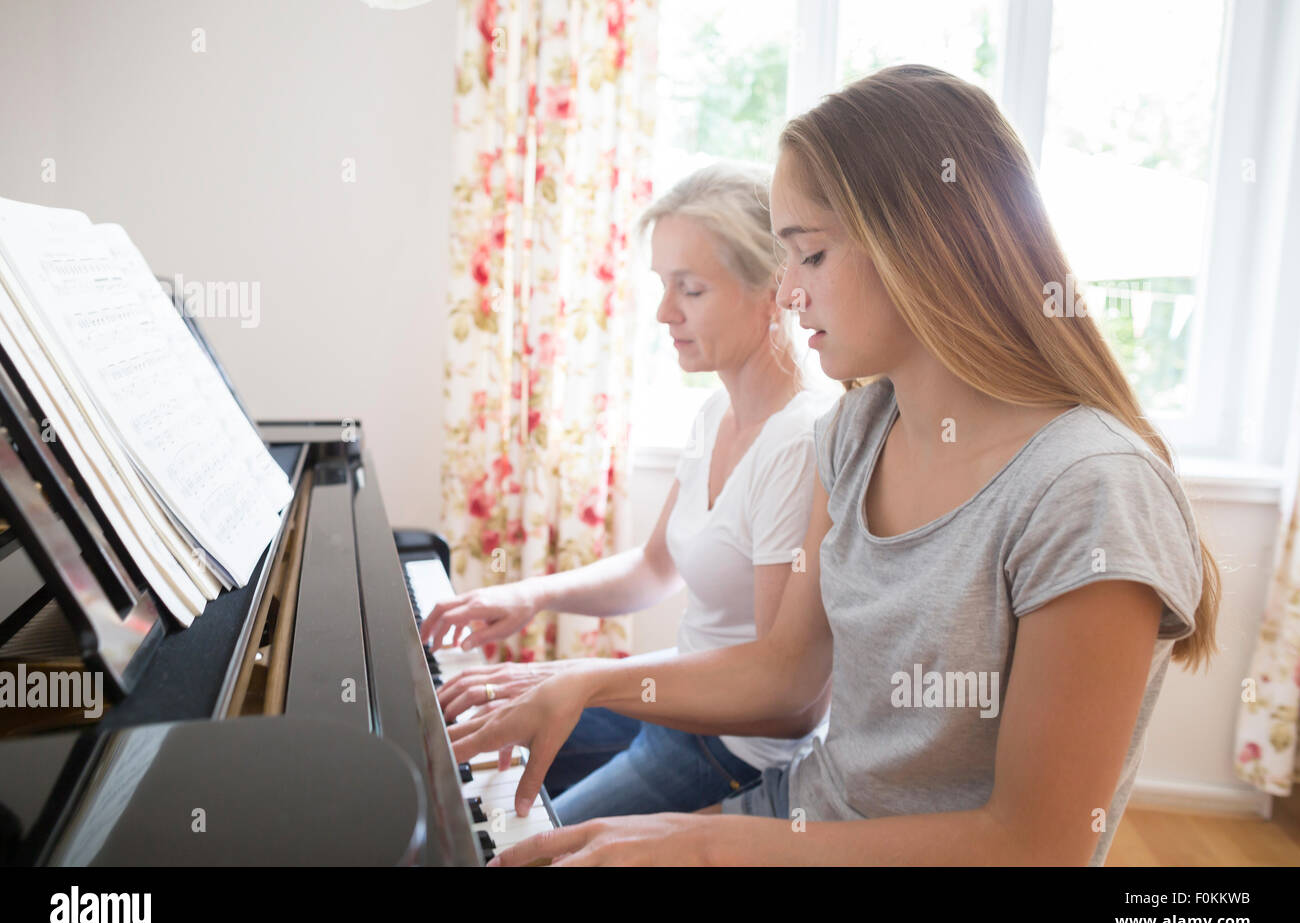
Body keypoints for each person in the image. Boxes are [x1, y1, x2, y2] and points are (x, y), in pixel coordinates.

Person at [445, 64, 1220, 866]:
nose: (785, 294)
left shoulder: (1089, 490)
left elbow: (1036, 846)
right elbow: (785, 678)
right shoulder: (854, 431)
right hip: (809, 816)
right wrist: (579, 682)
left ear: (924, 246)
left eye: (808, 256)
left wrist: (706, 843)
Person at [422, 163, 837, 823]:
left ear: (774, 289)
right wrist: (531, 594)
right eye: (662, 286)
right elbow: (653, 569)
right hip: (676, 706)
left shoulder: (799, 442)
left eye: (691, 290)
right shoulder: (714, 416)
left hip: (731, 754)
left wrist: (582, 683)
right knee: (450, 752)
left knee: (509, 844)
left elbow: (783, 697)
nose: (664, 314)